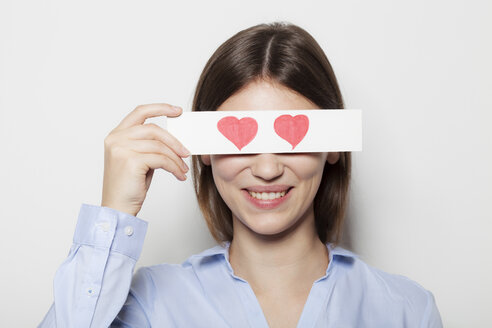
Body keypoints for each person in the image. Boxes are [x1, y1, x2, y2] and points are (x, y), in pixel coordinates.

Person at [39, 22, 443, 327]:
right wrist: (115, 214)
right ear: (207, 152)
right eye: (239, 139)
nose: (267, 168)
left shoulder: (406, 309)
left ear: (333, 145)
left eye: (292, 138)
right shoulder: (147, 304)